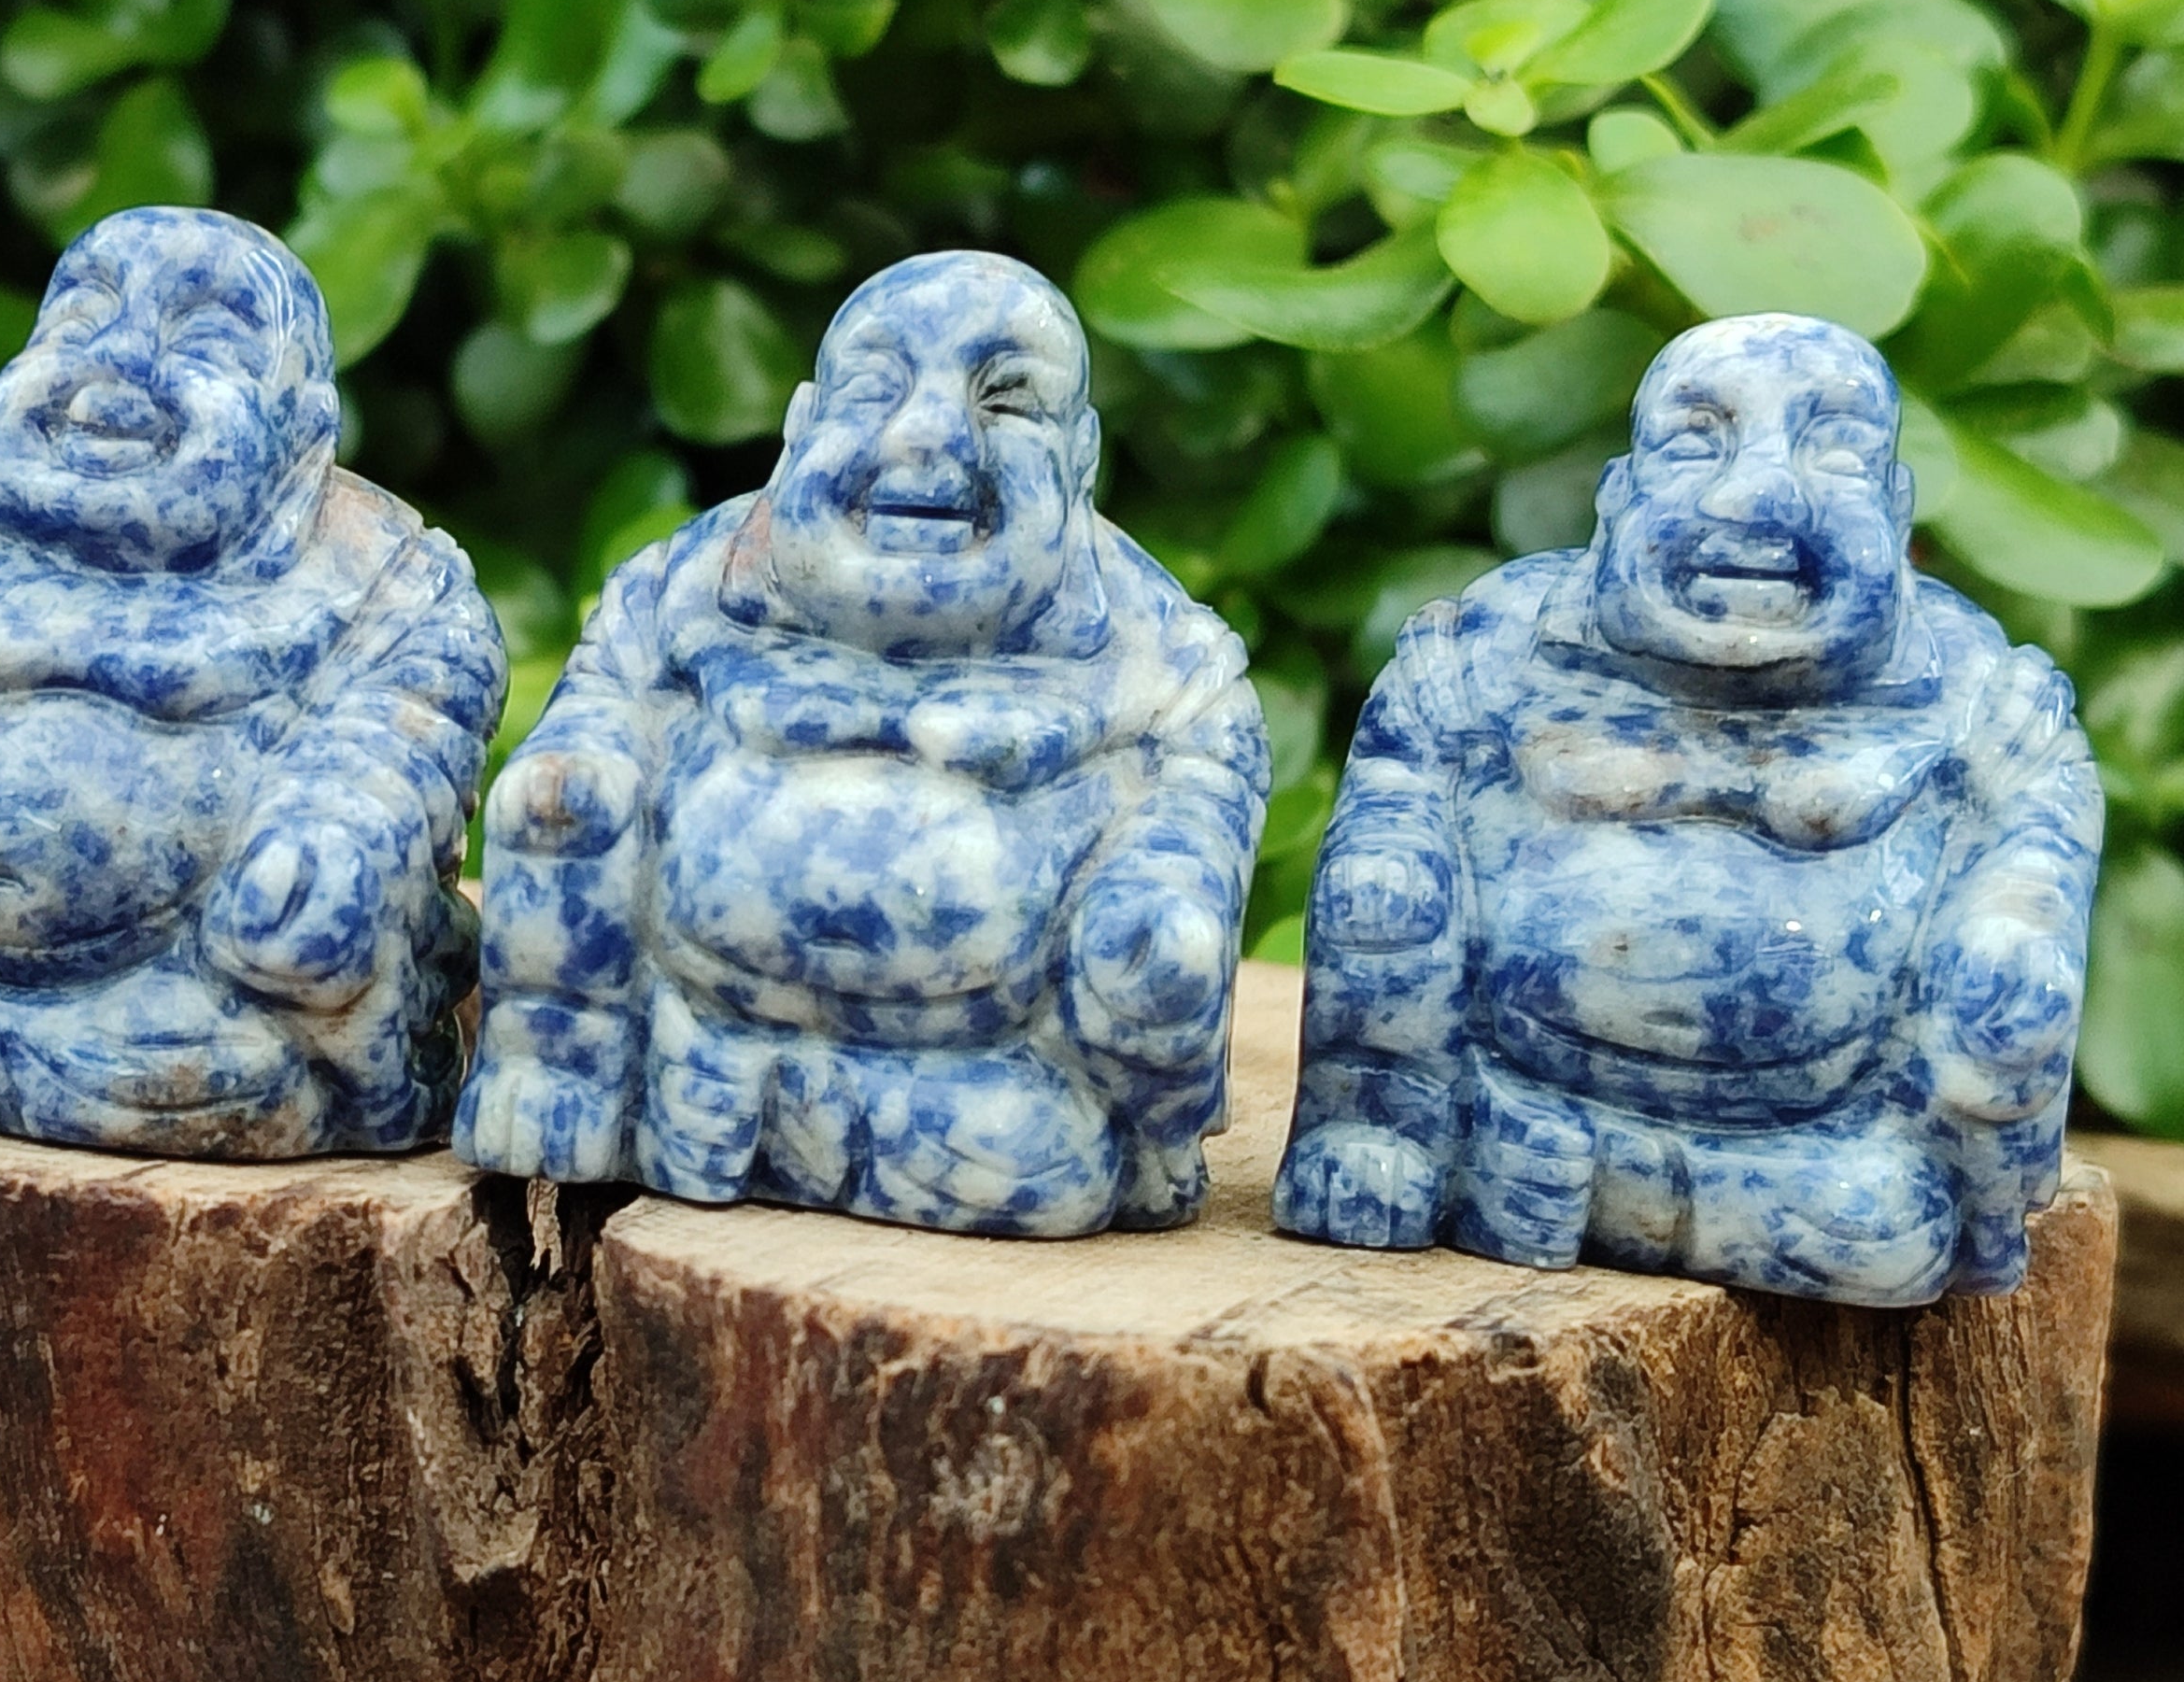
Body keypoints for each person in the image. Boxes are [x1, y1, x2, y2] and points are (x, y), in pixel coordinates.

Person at [1272, 313, 2100, 1307]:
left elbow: (2029, 866)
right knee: (1380, 891)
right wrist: (1383, 1097)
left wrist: (2009, 947)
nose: (1757, 493)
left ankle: (1671, 1197)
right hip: (1509, 1101)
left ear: (1894, 503)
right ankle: (1397, 1134)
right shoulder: (1493, 647)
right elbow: (1399, 793)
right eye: (1696, 439)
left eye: (1833, 447)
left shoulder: (1980, 696)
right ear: (1617, 496)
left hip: (1835, 1165)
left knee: (1887, 1220)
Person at [456, 249, 1269, 1237]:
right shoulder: (695, 583)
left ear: (1081, 457)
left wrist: (1160, 907)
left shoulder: (1154, 648)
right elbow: (602, 706)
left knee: (1056, 1135)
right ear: (800, 427)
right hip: (699, 1040)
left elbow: (1203, 778)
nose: (926, 436)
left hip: (992, 1085)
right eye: (875, 388)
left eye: (1007, 401)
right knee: (555, 802)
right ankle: (577, 1084)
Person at [0, 205, 504, 1156]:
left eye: (206, 336)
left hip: (190, 996)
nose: (117, 363)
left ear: (303, 430)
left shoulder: (379, 572)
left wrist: (333, 823)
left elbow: (413, 713)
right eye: (80, 317)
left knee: (283, 965)